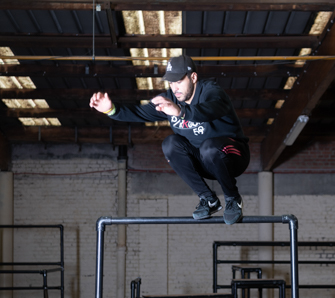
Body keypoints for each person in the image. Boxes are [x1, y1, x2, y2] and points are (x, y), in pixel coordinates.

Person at [89, 55, 250, 225]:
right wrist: (111, 109)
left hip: (233, 157)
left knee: (209, 147)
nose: (175, 88)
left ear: (193, 77)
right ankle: (208, 200)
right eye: (171, 83)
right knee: (170, 144)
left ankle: (233, 199)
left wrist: (182, 112)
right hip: (204, 163)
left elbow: (213, 108)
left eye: (179, 81)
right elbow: (138, 112)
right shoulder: (169, 100)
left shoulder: (210, 91)